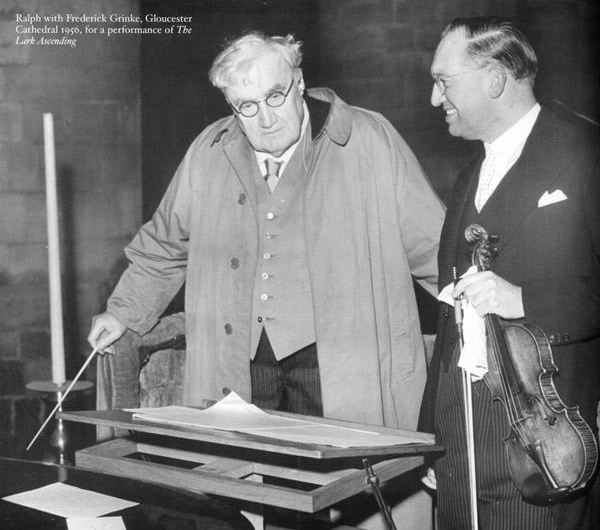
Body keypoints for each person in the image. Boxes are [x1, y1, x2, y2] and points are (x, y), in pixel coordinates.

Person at [88, 32, 444, 434]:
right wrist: (123, 310)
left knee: (343, 481)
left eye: (276, 95)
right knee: (252, 479)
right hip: (244, 358)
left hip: (337, 361)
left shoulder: (369, 140)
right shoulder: (209, 151)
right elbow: (165, 243)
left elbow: (433, 244)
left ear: (300, 81)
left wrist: (487, 310)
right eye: (247, 106)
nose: (266, 118)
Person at [424, 16, 600, 530]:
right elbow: (447, 321)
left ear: (495, 80)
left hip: (549, 439)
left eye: (444, 81)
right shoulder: (465, 179)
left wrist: (525, 299)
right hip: (462, 443)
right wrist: (431, 437)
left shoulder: (587, 153)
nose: (435, 99)